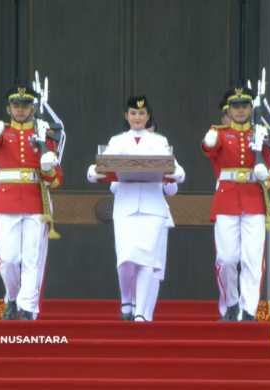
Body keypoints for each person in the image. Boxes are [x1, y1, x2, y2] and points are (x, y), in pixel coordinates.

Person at [88, 96, 185, 322]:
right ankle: (126, 300)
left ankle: (141, 313)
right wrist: (94, 171)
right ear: (127, 116)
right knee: (125, 259)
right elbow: (99, 169)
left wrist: (176, 173)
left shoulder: (160, 142)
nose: (137, 117)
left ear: (148, 115)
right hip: (125, 204)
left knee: (147, 262)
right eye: (133, 113)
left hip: (153, 205)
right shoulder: (117, 141)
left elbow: (176, 171)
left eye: (142, 114)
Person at [0, 85, 63, 321]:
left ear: (32, 108)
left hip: (36, 201)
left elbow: (56, 180)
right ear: (8, 108)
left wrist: (47, 168)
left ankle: (27, 306)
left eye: (25, 106)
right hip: (7, 201)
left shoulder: (43, 134)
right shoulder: (2, 133)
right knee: (8, 259)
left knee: (32, 257)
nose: (20, 110)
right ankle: (12, 297)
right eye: (16, 106)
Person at [201, 86, 270, 322]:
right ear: (229, 110)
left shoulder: (262, 133)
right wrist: (208, 139)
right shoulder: (221, 133)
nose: (241, 110)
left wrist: (267, 174)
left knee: (252, 259)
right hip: (227, 200)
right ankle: (230, 303)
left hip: (254, 200)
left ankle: (248, 309)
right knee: (225, 259)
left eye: (245, 106)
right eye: (236, 106)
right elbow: (210, 149)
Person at [117, 120, 177, 321]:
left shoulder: (161, 146)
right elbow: (112, 184)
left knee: (151, 268)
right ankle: (130, 303)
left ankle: (144, 316)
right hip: (129, 208)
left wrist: (167, 174)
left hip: (156, 213)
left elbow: (172, 188)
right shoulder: (121, 146)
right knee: (128, 261)